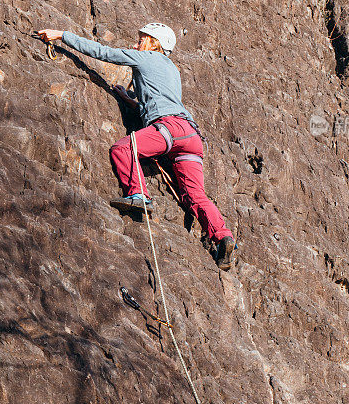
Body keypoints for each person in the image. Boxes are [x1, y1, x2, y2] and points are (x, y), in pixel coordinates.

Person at [37, 23, 236, 270]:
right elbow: (158, 100)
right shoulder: (172, 69)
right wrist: (131, 102)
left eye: (141, 39)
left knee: (123, 149)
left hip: (168, 130)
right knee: (195, 196)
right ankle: (223, 236)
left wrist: (62, 35)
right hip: (191, 136)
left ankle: (139, 194)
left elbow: (103, 53)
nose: (136, 44)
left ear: (154, 43)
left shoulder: (146, 57)